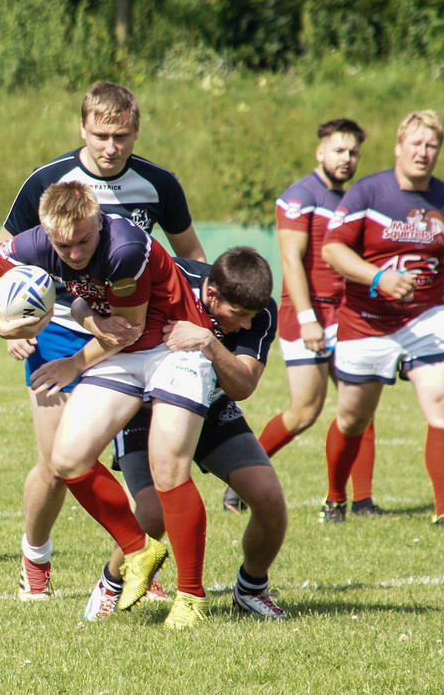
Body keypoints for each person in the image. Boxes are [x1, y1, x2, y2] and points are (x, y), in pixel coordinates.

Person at [0, 182, 215, 629]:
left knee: (169, 466)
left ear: (98, 222)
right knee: (66, 457)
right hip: (123, 352)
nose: (74, 252)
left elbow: (128, 331)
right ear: (46, 232)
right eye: (63, 245)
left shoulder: (124, 250)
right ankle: (139, 550)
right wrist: (1, 324)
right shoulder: (38, 240)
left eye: (83, 241)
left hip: (172, 346)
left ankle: (190, 597)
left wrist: (73, 364)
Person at [0, 81, 206, 601]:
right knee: (58, 465)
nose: (111, 146)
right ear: (81, 128)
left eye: (122, 135)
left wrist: (198, 320)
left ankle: (139, 566)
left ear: (136, 130)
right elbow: (7, 259)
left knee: (151, 468)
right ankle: (35, 560)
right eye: (100, 135)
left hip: (136, 337)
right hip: (60, 333)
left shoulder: (159, 184)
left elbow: (190, 254)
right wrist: (16, 325)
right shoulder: (49, 181)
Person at [76, 247, 290, 621]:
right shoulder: (165, 279)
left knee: (270, 500)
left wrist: (209, 340)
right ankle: (112, 581)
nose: (243, 325)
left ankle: (251, 589)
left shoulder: (261, 311)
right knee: (153, 512)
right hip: (144, 408)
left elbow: (243, 384)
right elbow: (86, 301)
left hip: (213, 405)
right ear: (211, 294)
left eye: (249, 318)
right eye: (236, 315)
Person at [320, 110, 444, 526]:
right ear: (398, 147)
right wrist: (379, 277)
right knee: (353, 417)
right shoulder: (367, 193)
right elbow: (333, 251)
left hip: (427, 317)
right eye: (416, 144)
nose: (423, 153)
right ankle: (335, 497)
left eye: (432, 146)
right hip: (366, 317)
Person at [241, 118, 380, 519]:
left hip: (350, 311)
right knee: (305, 411)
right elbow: (290, 259)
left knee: (359, 402)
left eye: (353, 152)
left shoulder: (357, 197)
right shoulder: (301, 195)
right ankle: (239, 478)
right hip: (310, 310)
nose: (347, 158)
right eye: (339, 150)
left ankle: (359, 500)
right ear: (321, 151)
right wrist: (307, 317)